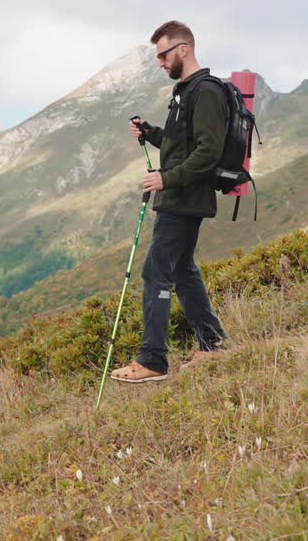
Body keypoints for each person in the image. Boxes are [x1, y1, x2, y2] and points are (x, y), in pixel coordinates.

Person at [109, 20, 229, 383]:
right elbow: (182, 147)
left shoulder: (206, 91)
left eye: (163, 54)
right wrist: (152, 133)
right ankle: (214, 345)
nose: (160, 61)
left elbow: (210, 151)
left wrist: (166, 178)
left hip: (184, 197)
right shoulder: (185, 91)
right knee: (181, 270)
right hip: (179, 196)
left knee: (156, 270)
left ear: (183, 49)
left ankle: (153, 361)